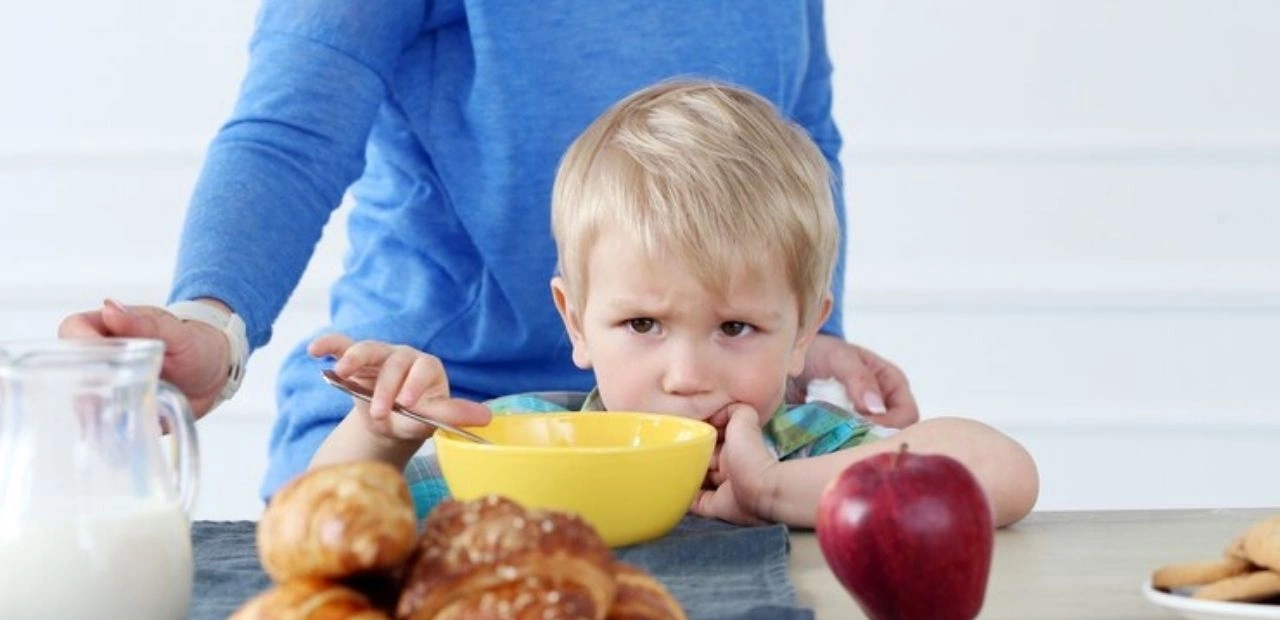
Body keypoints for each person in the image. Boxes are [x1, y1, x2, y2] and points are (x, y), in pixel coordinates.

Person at [57, 1, 922, 503]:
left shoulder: (786, 440)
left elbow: (800, 134)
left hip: (711, 470)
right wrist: (214, 320)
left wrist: (801, 332)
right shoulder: (419, 445)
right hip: (433, 425)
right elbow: (291, 132)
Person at [309, 80, 1038, 529]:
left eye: (736, 327)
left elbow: (1001, 472)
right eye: (643, 324)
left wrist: (776, 492)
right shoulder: (529, 446)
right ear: (576, 322)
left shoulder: (812, 449)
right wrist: (386, 435)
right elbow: (319, 519)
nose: (687, 374)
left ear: (802, 334)